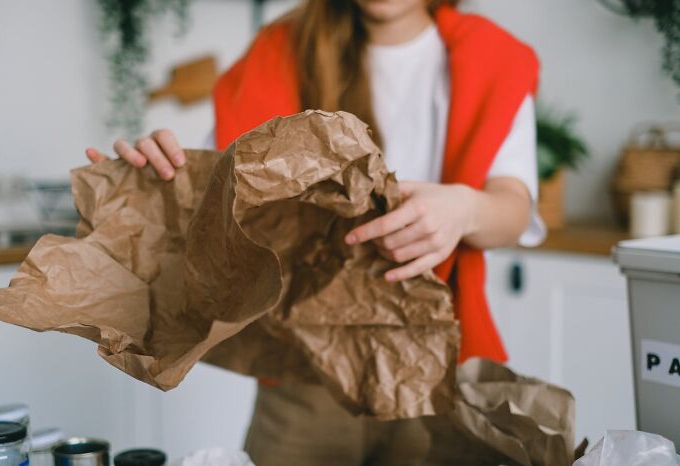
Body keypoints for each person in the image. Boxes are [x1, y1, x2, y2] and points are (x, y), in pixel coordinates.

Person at [87, 0, 543, 464]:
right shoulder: (278, 52)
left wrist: (465, 209)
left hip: (434, 369)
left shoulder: (494, 58)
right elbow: (220, 196)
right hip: (302, 368)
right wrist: (163, 185)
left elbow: (514, 207)